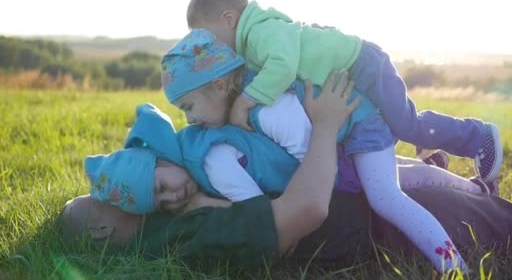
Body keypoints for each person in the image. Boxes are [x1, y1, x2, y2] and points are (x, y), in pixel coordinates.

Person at [58, 80, 512, 270]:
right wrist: (324, 125)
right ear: (102, 229)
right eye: (105, 199)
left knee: (434, 185)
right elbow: (307, 209)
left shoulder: (172, 205)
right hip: (368, 218)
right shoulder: (187, 231)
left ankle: (441, 172)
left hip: (357, 187)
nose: (121, 194)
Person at [161, 30, 490, 272]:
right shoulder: (248, 100)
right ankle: (476, 189)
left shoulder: (267, 109)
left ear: (219, 86)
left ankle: (453, 266)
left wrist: (292, 212)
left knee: (385, 197)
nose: (188, 119)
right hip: (342, 134)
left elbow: (316, 163)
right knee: (400, 175)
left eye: (188, 106)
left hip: (360, 124)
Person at [183, 0, 502, 184]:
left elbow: (282, 66)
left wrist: (245, 100)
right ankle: (433, 161)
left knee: (405, 123)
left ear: (228, 19)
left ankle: (478, 136)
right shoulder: (251, 39)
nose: (210, 46)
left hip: (363, 64)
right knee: (373, 139)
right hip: (348, 74)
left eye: (207, 37)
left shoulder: (260, 32)